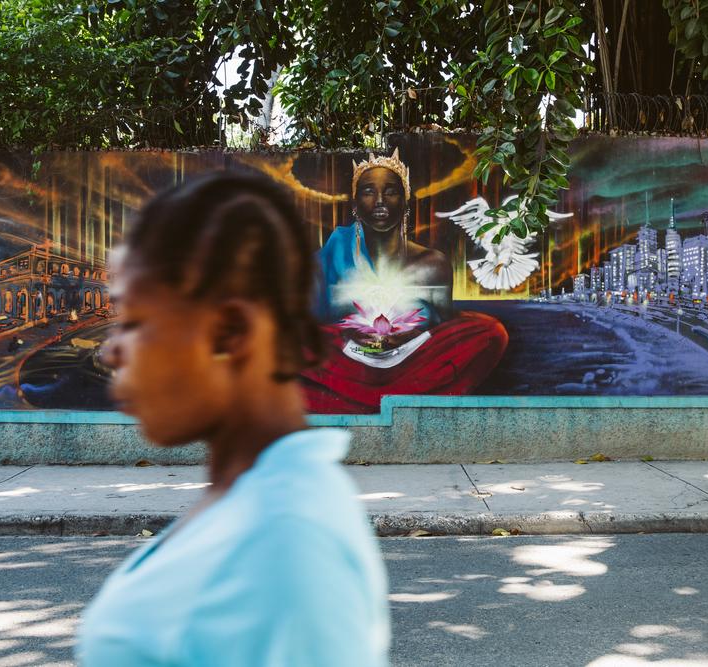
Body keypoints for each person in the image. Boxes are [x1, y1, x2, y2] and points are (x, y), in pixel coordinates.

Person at [77, 174, 390, 666]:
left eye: (135, 321)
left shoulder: (286, 548)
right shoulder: (258, 501)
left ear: (229, 334)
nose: (113, 351)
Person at [301, 149, 508, 414]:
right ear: (354, 206)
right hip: (348, 368)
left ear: (405, 202)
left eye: (390, 191)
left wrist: (417, 334)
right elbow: (308, 327)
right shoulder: (328, 259)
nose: (379, 201)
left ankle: (374, 401)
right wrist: (347, 334)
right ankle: (363, 399)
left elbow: (447, 334)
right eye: (367, 191)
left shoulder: (433, 264)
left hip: (413, 364)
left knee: (490, 331)